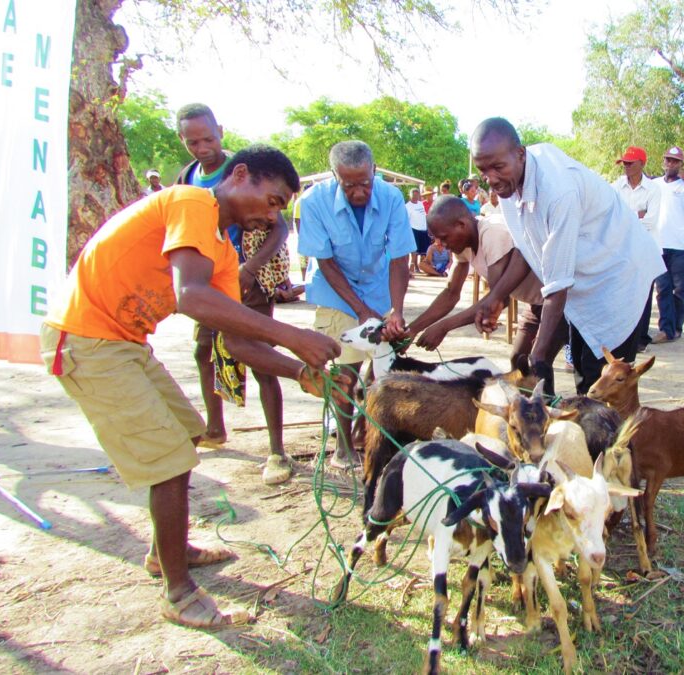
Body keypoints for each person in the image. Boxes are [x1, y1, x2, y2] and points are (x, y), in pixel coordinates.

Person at [41, 145, 345, 628]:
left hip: (124, 342)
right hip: (85, 336)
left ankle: (168, 551)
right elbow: (191, 297)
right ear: (240, 175)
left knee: (185, 434)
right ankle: (179, 594)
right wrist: (292, 335)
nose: (271, 217)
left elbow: (239, 344)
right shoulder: (192, 202)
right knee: (168, 459)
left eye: (279, 211)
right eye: (271, 201)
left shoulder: (222, 251)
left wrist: (301, 372)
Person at [468, 117, 664, 394]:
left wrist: (539, 357)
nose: (491, 179)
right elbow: (528, 249)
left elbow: (557, 289)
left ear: (520, 154)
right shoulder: (510, 187)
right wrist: (495, 297)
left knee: (603, 387)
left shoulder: (558, 191)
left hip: (618, 276)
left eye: (498, 167)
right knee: (585, 374)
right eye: (482, 170)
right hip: (585, 286)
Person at [175, 103, 293, 484]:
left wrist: (250, 267)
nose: (201, 146)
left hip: (245, 279)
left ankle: (277, 450)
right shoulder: (188, 181)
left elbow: (279, 228)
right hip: (205, 279)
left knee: (260, 357)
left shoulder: (249, 172)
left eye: (208, 138)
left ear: (220, 132)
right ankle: (214, 426)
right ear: (183, 141)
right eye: (193, 141)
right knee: (205, 349)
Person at [298, 140, 416, 467]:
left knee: (380, 365)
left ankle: (367, 431)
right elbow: (325, 263)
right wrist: (360, 310)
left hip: (378, 288)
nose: (358, 191)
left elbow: (399, 258)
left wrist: (397, 310)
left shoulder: (392, 198)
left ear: (374, 171)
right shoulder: (314, 201)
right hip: (335, 291)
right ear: (335, 176)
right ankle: (343, 446)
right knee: (345, 368)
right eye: (349, 185)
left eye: (365, 183)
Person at [406, 197, 567, 370]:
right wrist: (412, 330)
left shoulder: (492, 232)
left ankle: (548, 396)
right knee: (518, 362)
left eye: (444, 238)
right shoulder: (463, 244)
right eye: (436, 239)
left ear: (462, 225)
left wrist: (444, 326)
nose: (442, 245)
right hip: (537, 303)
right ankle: (541, 396)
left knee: (537, 364)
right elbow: (451, 293)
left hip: (561, 301)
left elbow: (497, 298)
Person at [611, 146, 662, 350]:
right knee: (621, 293)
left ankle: (640, 338)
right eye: (624, 163)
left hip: (644, 248)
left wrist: (626, 217)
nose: (626, 167)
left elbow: (650, 221)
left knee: (643, 295)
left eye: (630, 163)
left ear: (642, 164)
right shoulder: (616, 186)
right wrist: (636, 215)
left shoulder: (653, 189)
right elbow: (611, 216)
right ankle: (621, 337)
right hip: (621, 248)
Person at [653, 146, 684, 343]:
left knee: (680, 289)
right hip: (659, 244)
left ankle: (676, 327)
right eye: (668, 159)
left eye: (675, 161)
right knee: (663, 288)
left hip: (681, 245)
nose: (670, 163)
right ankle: (666, 329)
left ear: (681, 164)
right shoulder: (655, 184)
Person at [406, 187, 430, 275]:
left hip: (423, 229)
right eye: (414, 195)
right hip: (413, 229)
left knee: (423, 250)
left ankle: (422, 266)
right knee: (414, 250)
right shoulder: (407, 206)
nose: (416, 196)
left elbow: (424, 215)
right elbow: (406, 220)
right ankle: (414, 266)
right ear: (410, 195)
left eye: (417, 194)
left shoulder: (420, 204)